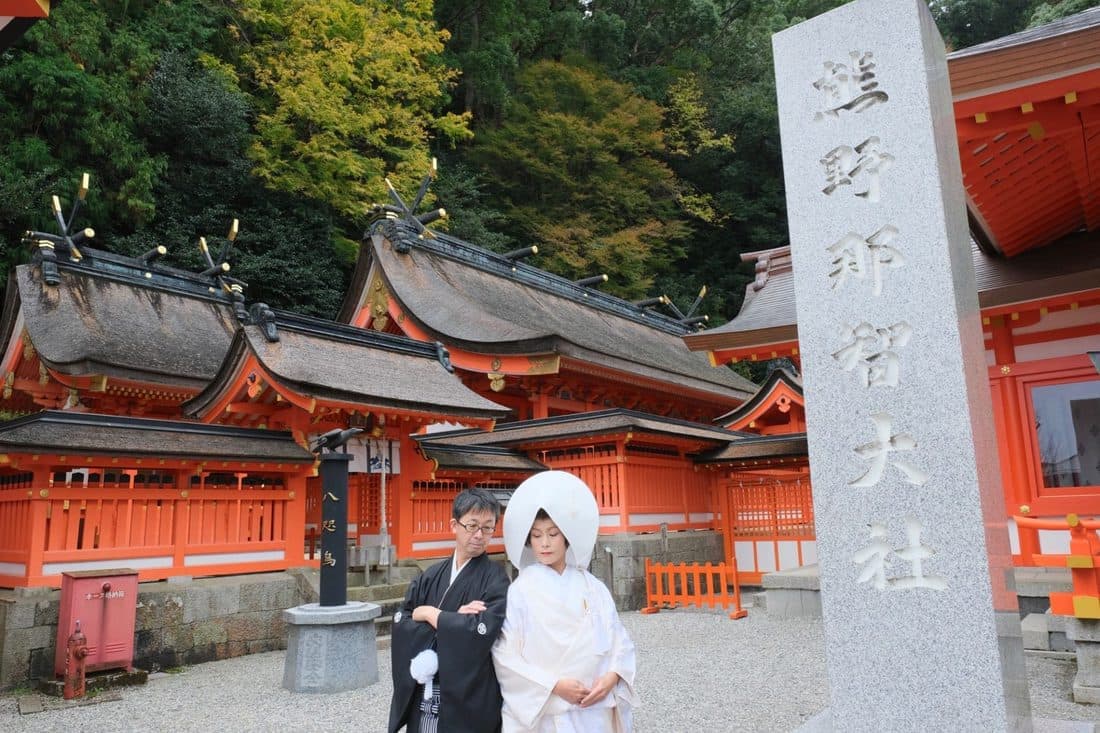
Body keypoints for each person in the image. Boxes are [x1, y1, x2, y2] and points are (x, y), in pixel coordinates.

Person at [492, 471, 638, 732]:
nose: (545, 544)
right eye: (536, 536)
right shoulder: (520, 590)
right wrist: (553, 686)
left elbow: (619, 640)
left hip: (595, 705)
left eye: (553, 533)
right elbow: (506, 655)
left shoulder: (593, 587)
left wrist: (613, 676)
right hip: (548, 710)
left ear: (567, 536)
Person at [389, 488, 510, 733]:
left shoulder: (496, 579)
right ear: (454, 525)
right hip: (427, 688)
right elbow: (402, 620)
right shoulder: (431, 575)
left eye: (488, 527)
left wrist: (431, 614)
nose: (479, 535)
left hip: (470, 693)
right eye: (472, 525)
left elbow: (482, 630)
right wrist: (451, 619)